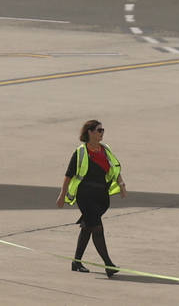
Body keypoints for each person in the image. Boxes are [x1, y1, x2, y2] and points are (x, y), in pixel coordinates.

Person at [55, 118, 124, 275]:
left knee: (88, 228)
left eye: (102, 130)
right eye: (99, 130)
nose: (102, 133)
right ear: (90, 132)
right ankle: (109, 264)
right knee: (97, 229)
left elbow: (115, 168)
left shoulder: (105, 149)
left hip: (101, 198)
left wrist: (122, 184)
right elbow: (68, 175)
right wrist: (62, 194)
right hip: (85, 197)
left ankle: (76, 262)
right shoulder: (80, 152)